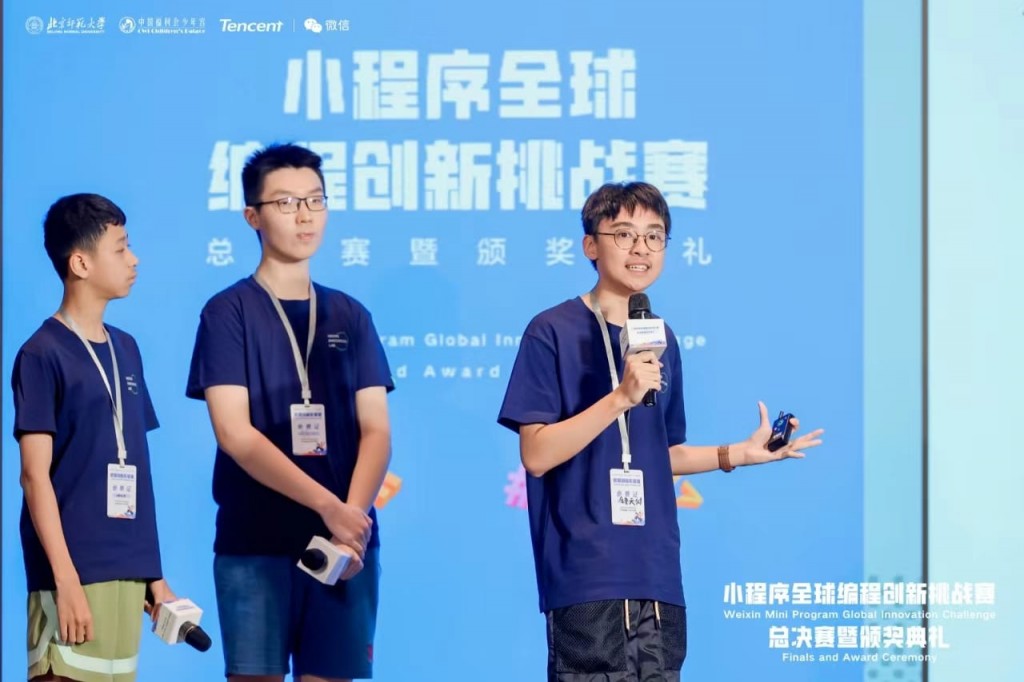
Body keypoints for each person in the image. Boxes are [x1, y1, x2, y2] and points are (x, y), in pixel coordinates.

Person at [497, 182, 825, 681]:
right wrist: (620, 397)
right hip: (587, 574)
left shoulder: (660, 337)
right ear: (590, 245)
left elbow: (661, 455)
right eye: (624, 234)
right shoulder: (552, 330)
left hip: (657, 573)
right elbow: (537, 454)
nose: (641, 249)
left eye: (654, 236)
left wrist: (738, 453)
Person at [186, 143, 394, 682]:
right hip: (256, 543)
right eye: (285, 202)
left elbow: (376, 430)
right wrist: (330, 507)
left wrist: (349, 522)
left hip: (345, 547)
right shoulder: (227, 312)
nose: (304, 215)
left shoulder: (350, 313)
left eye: (315, 200)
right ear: (252, 216)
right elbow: (235, 434)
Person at [13, 193, 176, 682]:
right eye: (121, 248)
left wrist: (154, 576)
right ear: (80, 263)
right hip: (71, 577)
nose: (134, 259)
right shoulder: (41, 353)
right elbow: (34, 477)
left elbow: (138, 467)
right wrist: (65, 582)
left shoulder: (127, 348)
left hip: (126, 574)